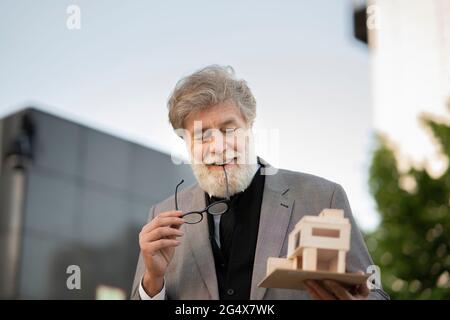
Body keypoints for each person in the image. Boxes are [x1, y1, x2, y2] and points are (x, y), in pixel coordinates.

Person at [130, 65, 388, 300]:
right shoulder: (162, 216)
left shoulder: (322, 197)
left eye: (229, 129)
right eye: (202, 135)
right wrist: (153, 280)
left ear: (250, 126)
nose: (218, 146)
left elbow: (373, 293)